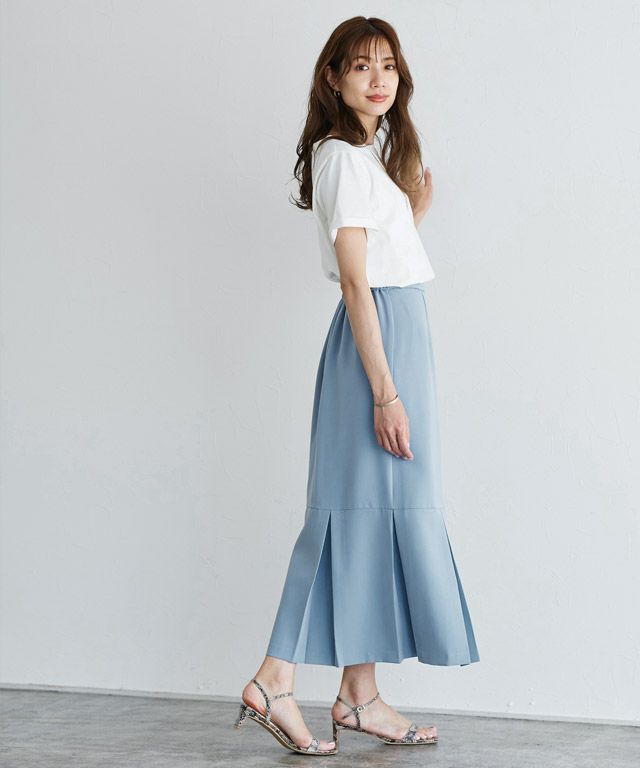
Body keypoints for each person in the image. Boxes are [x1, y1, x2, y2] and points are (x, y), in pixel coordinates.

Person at [233, 16, 480, 756]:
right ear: (333, 78)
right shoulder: (341, 157)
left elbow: (379, 258)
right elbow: (353, 282)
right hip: (379, 351)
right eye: (361, 65)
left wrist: (409, 215)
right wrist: (385, 392)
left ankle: (358, 695)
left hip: (398, 336)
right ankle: (274, 678)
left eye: (389, 65)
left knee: (377, 516)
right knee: (344, 514)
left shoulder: (364, 157)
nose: (379, 78)